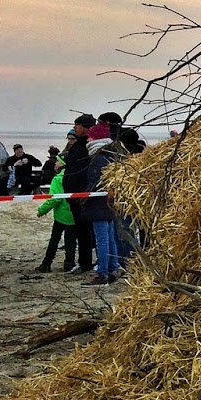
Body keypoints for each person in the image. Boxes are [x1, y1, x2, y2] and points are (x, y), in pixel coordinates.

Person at [81, 123, 124, 285]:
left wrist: (84, 199)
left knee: (102, 240)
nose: (88, 139)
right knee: (110, 238)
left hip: (98, 203)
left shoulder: (98, 158)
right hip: (109, 202)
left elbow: (94, 182)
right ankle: (113, 268)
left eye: (90, 137)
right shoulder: (111, 155)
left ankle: (103, 272)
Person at [62, 113, 96, 274]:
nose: (75, 128)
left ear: (85, 127)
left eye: (77, 125)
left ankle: (86, 263)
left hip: (83, 195)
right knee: (81, 230)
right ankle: (84, 262)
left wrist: (84, 193)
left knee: (86, 231)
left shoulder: (90, 146)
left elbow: (88, 172)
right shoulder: (77, 145)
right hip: (72, 194)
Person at [36, 166, 79, 272]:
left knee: (54, 239)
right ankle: (69, 263)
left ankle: (47, 263)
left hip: (61, 215)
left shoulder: (58, 179)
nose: (55, 164)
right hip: (73, 214)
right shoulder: (75, 175)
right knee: (71, 240)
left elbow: (55, 199)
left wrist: (42, 210)